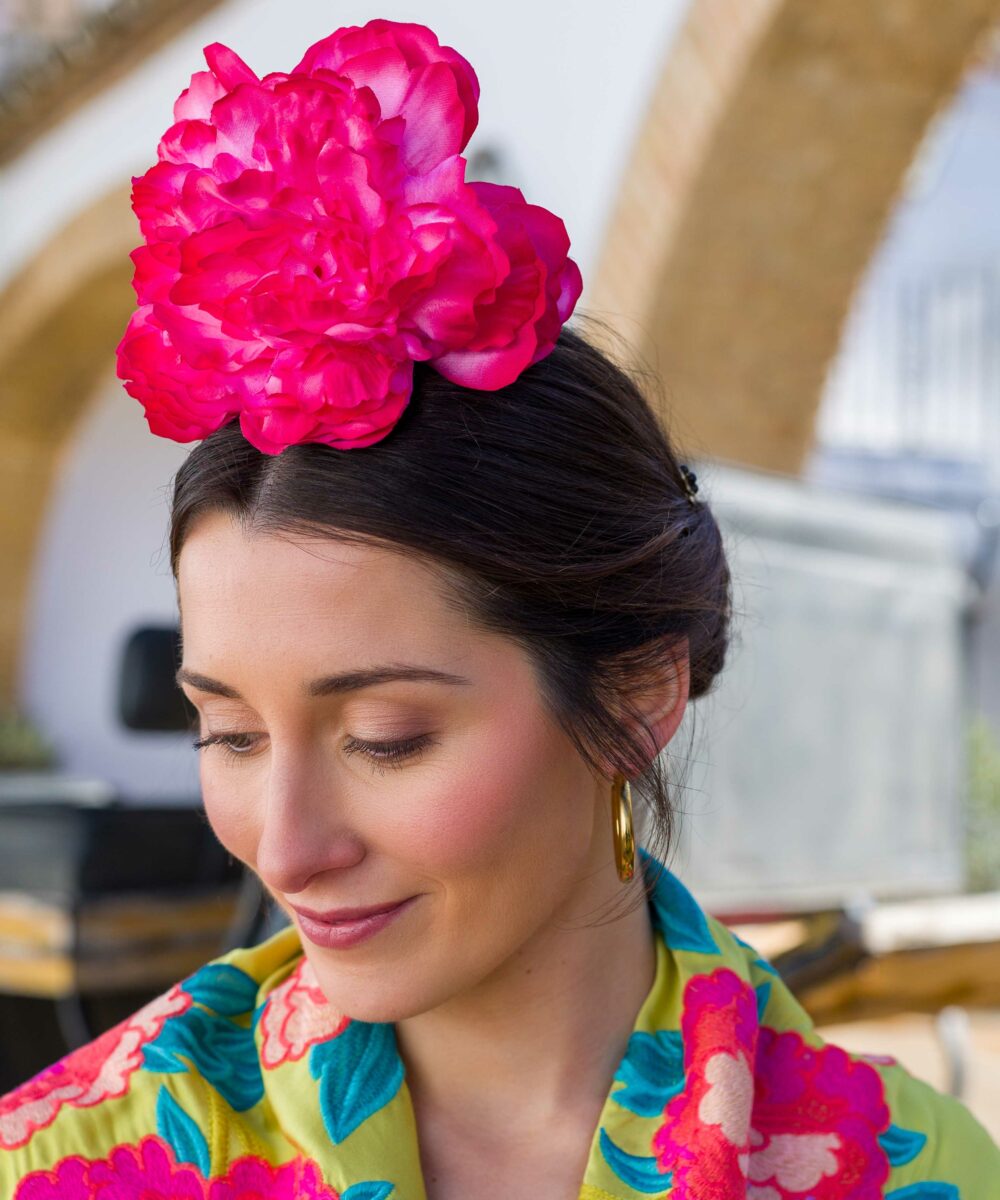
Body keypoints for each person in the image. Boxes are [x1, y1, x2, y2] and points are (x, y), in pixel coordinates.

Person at [2, 17, 998, 1200]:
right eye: (228, 733)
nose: (286, 845)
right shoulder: (72, 1161)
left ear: (635, 693)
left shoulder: (908, 1174)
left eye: (386, 739)